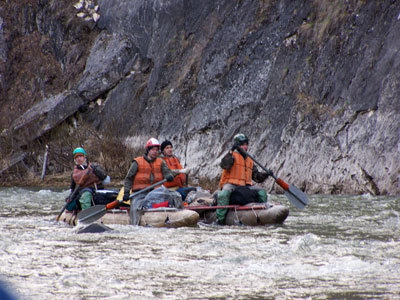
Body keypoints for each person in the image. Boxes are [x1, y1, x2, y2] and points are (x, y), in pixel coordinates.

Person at [215, 134, 272, 225]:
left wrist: (266, 174)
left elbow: (256, 177)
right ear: (237, 145)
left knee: (262, 192)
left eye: (246, 144)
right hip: (231, 184)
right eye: (242, 144)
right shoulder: (231, 155)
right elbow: (224, 165)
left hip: (246, 186)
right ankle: (220, 219)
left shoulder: (249, 160)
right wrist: (231, 150)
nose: (245, 146)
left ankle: (261, 214)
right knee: (224, 194)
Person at [123, 138, 174, 224]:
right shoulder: (137, 162)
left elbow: (167, 173)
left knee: (171, 200)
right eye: (153, 149)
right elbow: (129, 178)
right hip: (139, 194)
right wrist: (126, 192)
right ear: (148, 150)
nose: (155, 152)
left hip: (155, 193)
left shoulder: (161, 162)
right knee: (136, 208)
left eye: (157, 150)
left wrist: (169, 176)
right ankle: (135, 224)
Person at [66, 147, 111, 212]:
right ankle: (82, 212)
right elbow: (73, 189)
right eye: (77, 157)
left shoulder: (93, 167)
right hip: (82, 192)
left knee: (86, 194)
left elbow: (106, 180)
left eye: (81, 156)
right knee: (71, 202)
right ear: (75, 159)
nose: (79, 159)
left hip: (96, 191)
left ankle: (86, 212)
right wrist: (70, 198)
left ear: (84, 157)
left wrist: (97, 170)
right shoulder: (73, 173)